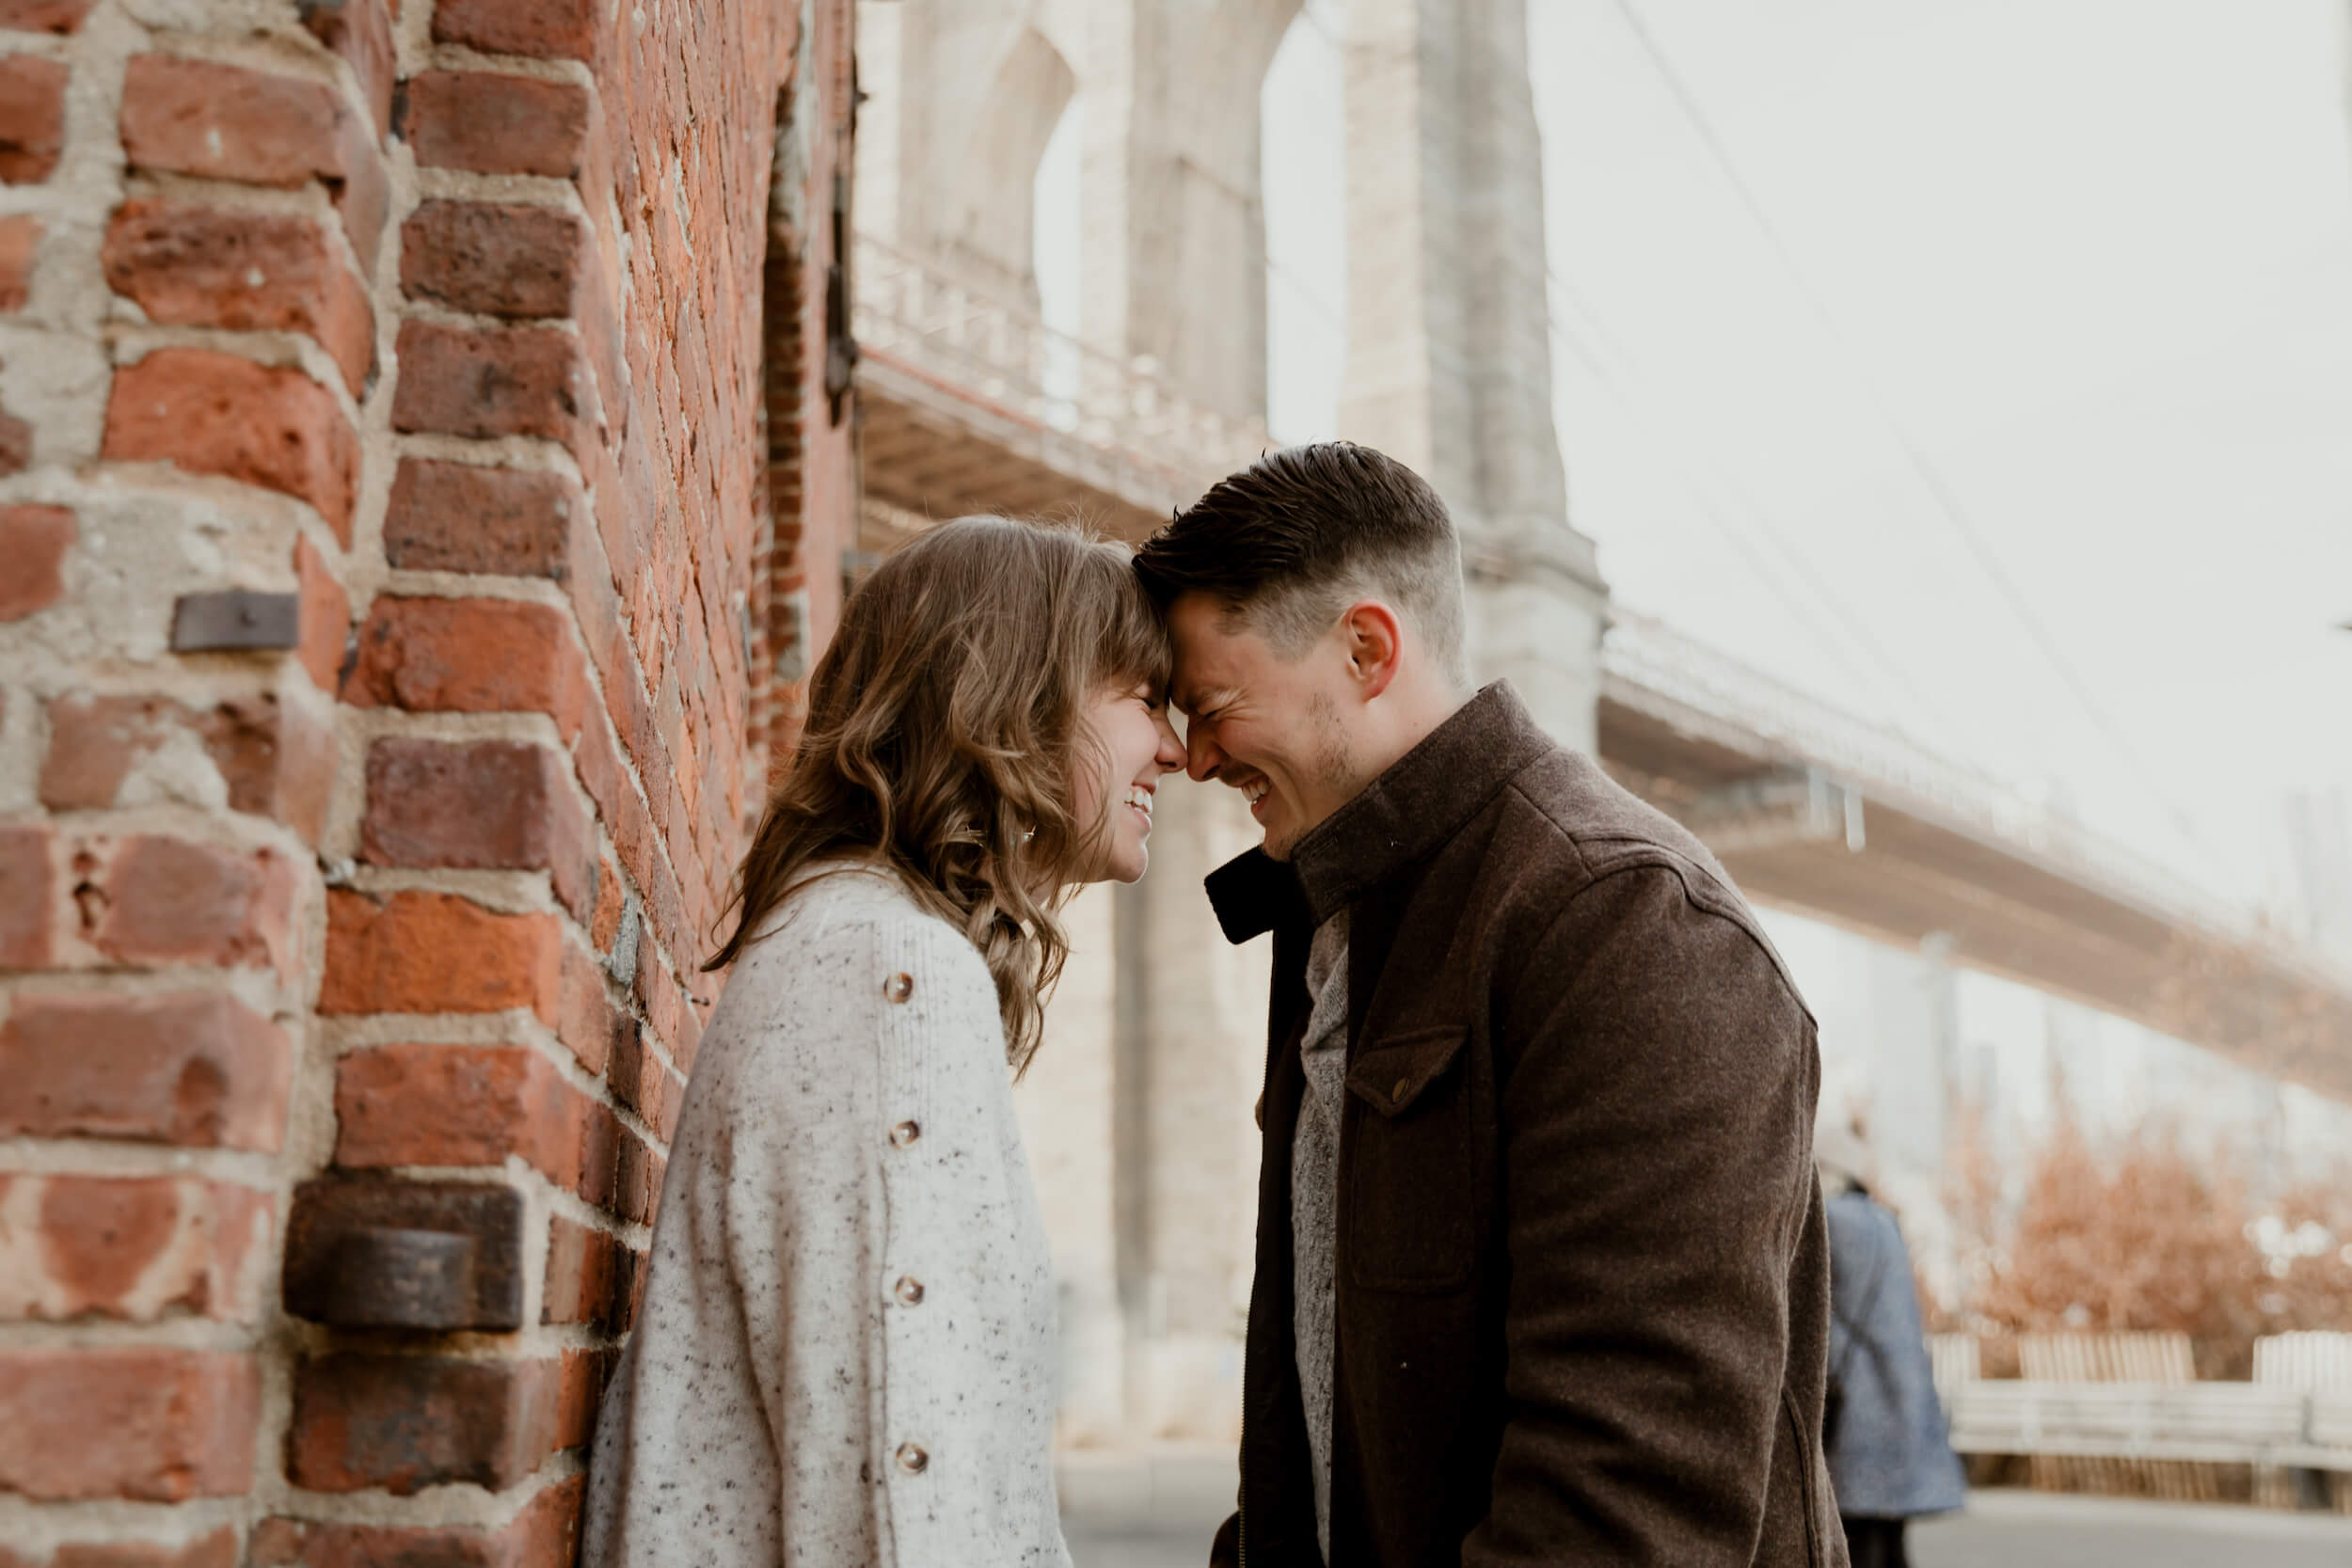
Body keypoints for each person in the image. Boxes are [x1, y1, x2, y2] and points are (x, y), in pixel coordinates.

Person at [1131, 442, 1844, 1567]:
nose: (1192, 756)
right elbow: (1313, 1423)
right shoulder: (1331, 913)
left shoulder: (1627, 923)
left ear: (1367, 648)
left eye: (1214, 705)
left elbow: (1622, 1508)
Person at [581, 517, 1185, 1567]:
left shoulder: (855, 944)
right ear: (1011, 696)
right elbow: (908, 1493)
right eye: (1141, 698)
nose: (1174, 747)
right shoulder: (891, 975)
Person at [1816, 1120, 1965, 1568]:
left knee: (1854, 1540)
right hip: (1899, 1407)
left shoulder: (1831, 1222)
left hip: (1854, 1417)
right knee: (1891, 1540)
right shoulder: (1884, 1222)